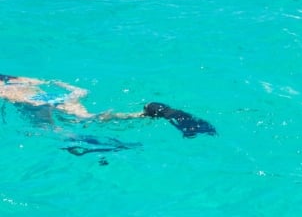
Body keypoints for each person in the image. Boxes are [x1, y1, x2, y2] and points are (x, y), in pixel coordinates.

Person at [0, 74, 216, 137]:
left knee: (50, 131)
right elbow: (41, 82)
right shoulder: (12, 77)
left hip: (35, 103)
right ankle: (149, 113)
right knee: (86, 117)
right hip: (54, 95)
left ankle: (83, 143)